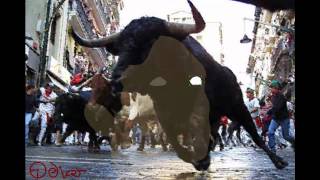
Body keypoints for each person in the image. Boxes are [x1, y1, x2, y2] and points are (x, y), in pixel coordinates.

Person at [267, 80, 295, 153]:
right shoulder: (273, 96)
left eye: (272, 88)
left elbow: (277, 107)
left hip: (284, 119)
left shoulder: (281, 97)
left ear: (276, 88)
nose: (270, 89)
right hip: (276, 118)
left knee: (286, 136)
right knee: (270, 132)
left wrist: (269, 112)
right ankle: (272, 149)